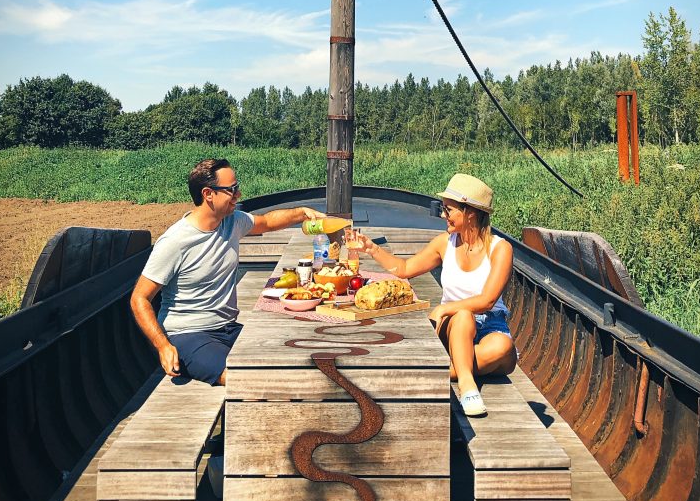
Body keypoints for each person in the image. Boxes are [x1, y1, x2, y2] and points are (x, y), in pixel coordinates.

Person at [131, 157, 324, 386]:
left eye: (237, 187)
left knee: (286, 355)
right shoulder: (176, 241)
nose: (238, 194)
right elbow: (139, 298)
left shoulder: (231, 221)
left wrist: (302, 212)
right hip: (188, 335)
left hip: (228, 328)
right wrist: (163, 346)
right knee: (245, 378)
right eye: (231, 190)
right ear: (208, 194)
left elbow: (267, 222)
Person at [353, 173, 516, 417]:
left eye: (448, 210)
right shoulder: (444, 243)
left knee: (503, 347)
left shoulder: (500, 249)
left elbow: (488, 300)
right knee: (463, 317)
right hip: (454, 327)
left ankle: (436, 369)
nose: (443, 215)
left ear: (470, 212)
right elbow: (406, 269)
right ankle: (468, 386)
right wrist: (372, 249)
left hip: (490, 324)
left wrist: (443, 308)